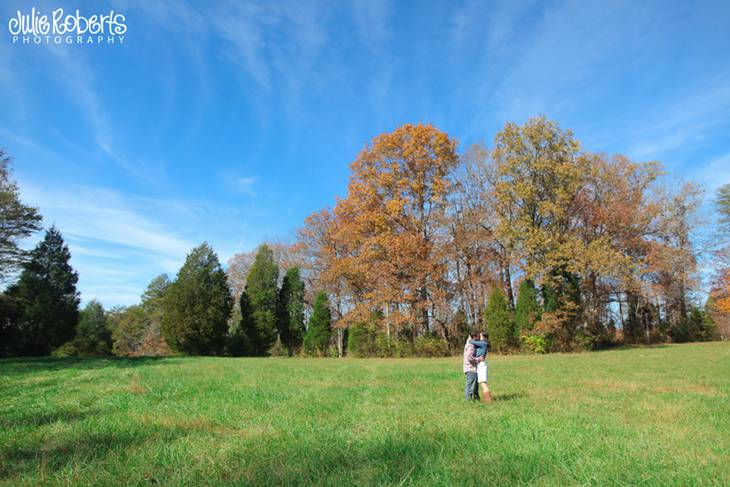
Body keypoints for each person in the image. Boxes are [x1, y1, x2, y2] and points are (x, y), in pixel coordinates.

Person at [472, 332, 492, 403]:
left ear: (483, 337)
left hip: (481, 364)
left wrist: (471, 337)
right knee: (482, 383)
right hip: (480, 364)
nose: (478, 336)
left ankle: (489, 401)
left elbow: (471, 341)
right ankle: (488, 400)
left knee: (483, 383)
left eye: (480, 335)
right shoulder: (482, 343)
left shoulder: (483, 343)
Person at [463, 332, 480, 401]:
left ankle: (475, 399)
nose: (479, 338)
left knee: (474, 385)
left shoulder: (470, 343)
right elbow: (469, 357)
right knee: (470, 385)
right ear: (474, 337)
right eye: (478, 336)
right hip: (470, 368)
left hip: (470, 367)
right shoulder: (471, 345)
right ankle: (468, 400)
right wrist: (478, 359)